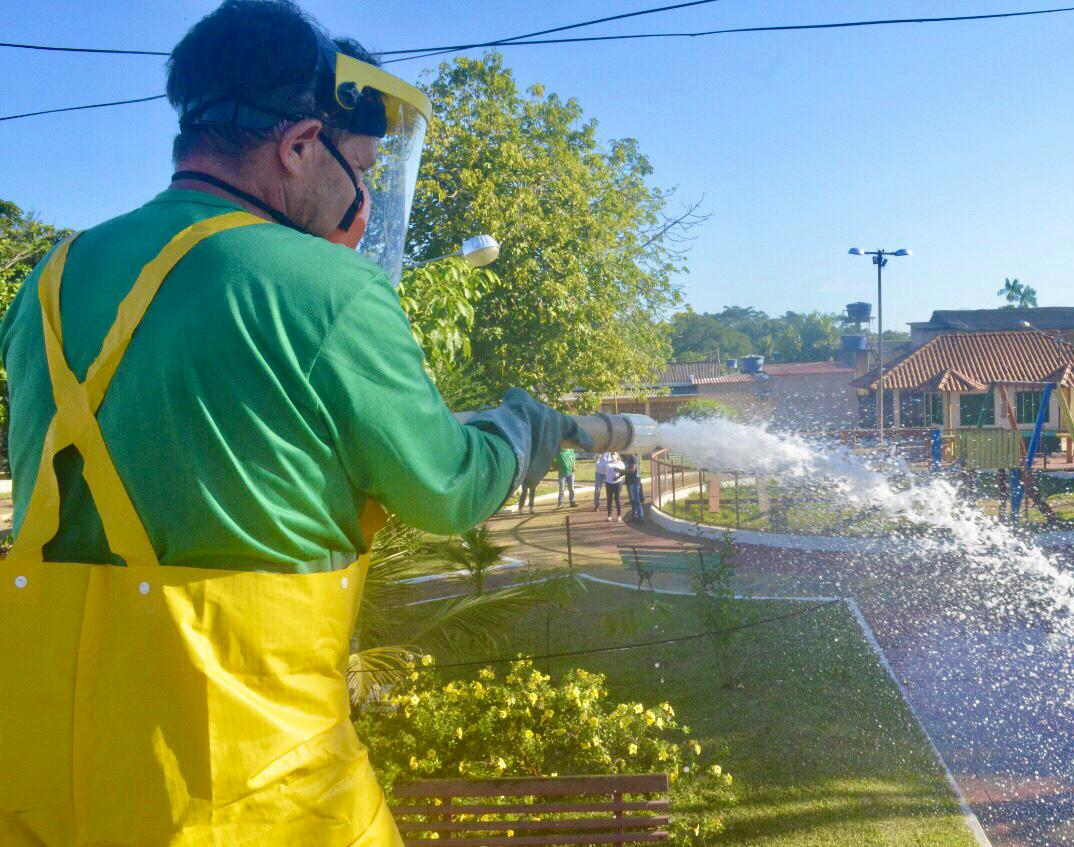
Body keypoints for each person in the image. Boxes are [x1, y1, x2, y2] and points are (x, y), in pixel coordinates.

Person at [0, 3, 583, 844]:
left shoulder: (49, 281)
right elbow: (448, 488)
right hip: (250, 792)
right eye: (360, 165)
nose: (364, 194)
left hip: (41, 785)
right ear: (301, 144)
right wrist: (520, 431)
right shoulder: (327, 288)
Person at [603, 451, 625, 522]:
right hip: (608, 483)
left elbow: (624, 473)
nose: (613, 455)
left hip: (617, 483)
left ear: (617, 455)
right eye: (612, 454)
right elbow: (604, 471)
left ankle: (619, 516)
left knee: (617, 498)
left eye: (614, 454)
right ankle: (609, 516)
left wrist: (618, 478)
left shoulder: (621, 463)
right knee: (609, 499)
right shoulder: (607, 463)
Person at [623, 454, 645, 521]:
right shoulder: (627, 457)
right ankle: (634, 516)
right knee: (632, 500)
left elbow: (633, 469)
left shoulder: (633, 457)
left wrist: (621, 471)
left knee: (636, 499)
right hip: (629, 481)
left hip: (634, 481)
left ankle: (640, 516)